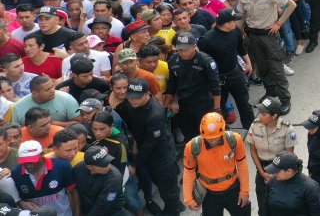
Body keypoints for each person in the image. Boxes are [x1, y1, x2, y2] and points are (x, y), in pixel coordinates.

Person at [116, 78, 184, 214]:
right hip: (145, 151)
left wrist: (135, 164)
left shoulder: (155, 114)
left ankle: (173, 210)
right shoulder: (133, 105)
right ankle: (177, 204)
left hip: (161, 156)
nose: (133, 100)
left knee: (167, 188)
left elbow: (149, 144)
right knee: (161, 183)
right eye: (131, 97)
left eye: (137, 98)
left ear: (148, 94)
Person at [238, 0, 295, 113]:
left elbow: (291, 5)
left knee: (276, 68)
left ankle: (284, 99)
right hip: (253, 35)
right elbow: (241, 15)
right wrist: (241, 31)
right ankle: (270, 92)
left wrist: (279, 23)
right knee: (263, 68)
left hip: (269, 35)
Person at [181, 112, 250, 216]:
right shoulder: (191, 147)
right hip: (209, 195)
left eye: (216, 137)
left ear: (223, 131)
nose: (212, 141)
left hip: (233, 189)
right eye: (208, 138)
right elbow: (189, 172)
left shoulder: (235, 140)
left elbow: (242, 164)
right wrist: (188, 198)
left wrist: (244, 191)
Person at [164, 31, 221, 140]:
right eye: (179, 49)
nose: (182, 52)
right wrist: (169, 103)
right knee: (188, 134)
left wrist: (217, 108)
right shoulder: (173, 60)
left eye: (185, 49)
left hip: (202, 102)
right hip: (183, 102)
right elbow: (173, 83)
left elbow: (215, 85)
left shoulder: (205, 61)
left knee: (207, 132)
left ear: (194, 46)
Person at [246, 97, 296, 216]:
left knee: (280, 206)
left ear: (274, 116)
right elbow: (252, 150)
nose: (259, 117)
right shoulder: (255, 125)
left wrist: (276, 174)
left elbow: (289, 156)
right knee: (263, 206)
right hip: (262, 168)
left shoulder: (287, 129)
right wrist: (262, 172)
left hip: (280, 169)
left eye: (263, 114)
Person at [262, 152, 320, 216]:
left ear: (289, 171)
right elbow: (266, 207)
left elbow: (316, 214)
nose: (273, 173)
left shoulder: (311, 188)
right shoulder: (273, 181)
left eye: (277, 171)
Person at [75, 144, 125, 216]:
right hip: (90, 208)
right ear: (89, 167)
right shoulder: (78, 170)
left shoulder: (115, 178)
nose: (108, 166)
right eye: (103, 164)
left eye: (108, 161)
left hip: (111, 211)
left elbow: (102, 206)